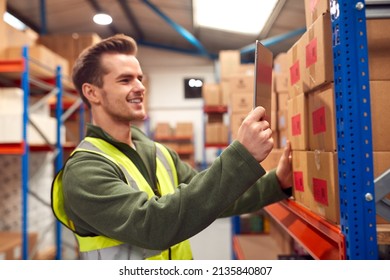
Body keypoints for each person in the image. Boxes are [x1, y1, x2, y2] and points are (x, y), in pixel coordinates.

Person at [51, 34, 293, 260]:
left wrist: (277, 183)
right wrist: (241, 156)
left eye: (140, 78)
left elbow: (214, 196)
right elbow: (153, 226)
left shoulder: (159, 153)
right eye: (125, 80)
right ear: (92, 93)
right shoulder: (85, 170)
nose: (140, 87)